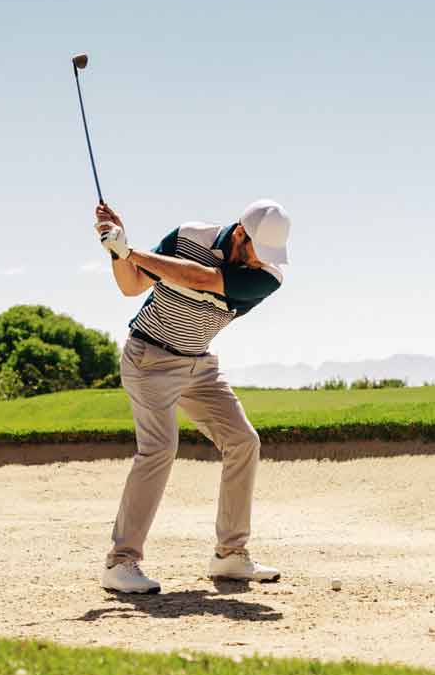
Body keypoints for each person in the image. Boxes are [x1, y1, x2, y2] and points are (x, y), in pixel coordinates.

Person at [93, 198, 290, 594]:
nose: (259, 262)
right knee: (160, 448)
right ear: (239, 233)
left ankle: (230, 555)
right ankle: (121, 562)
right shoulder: (188, 236)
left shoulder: (268, 277)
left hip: (199, 365)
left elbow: (200, 279)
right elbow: (131, 286)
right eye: (256, 251)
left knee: (242, 441)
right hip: (149, 357)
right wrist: (117, 250)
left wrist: (131, 251)